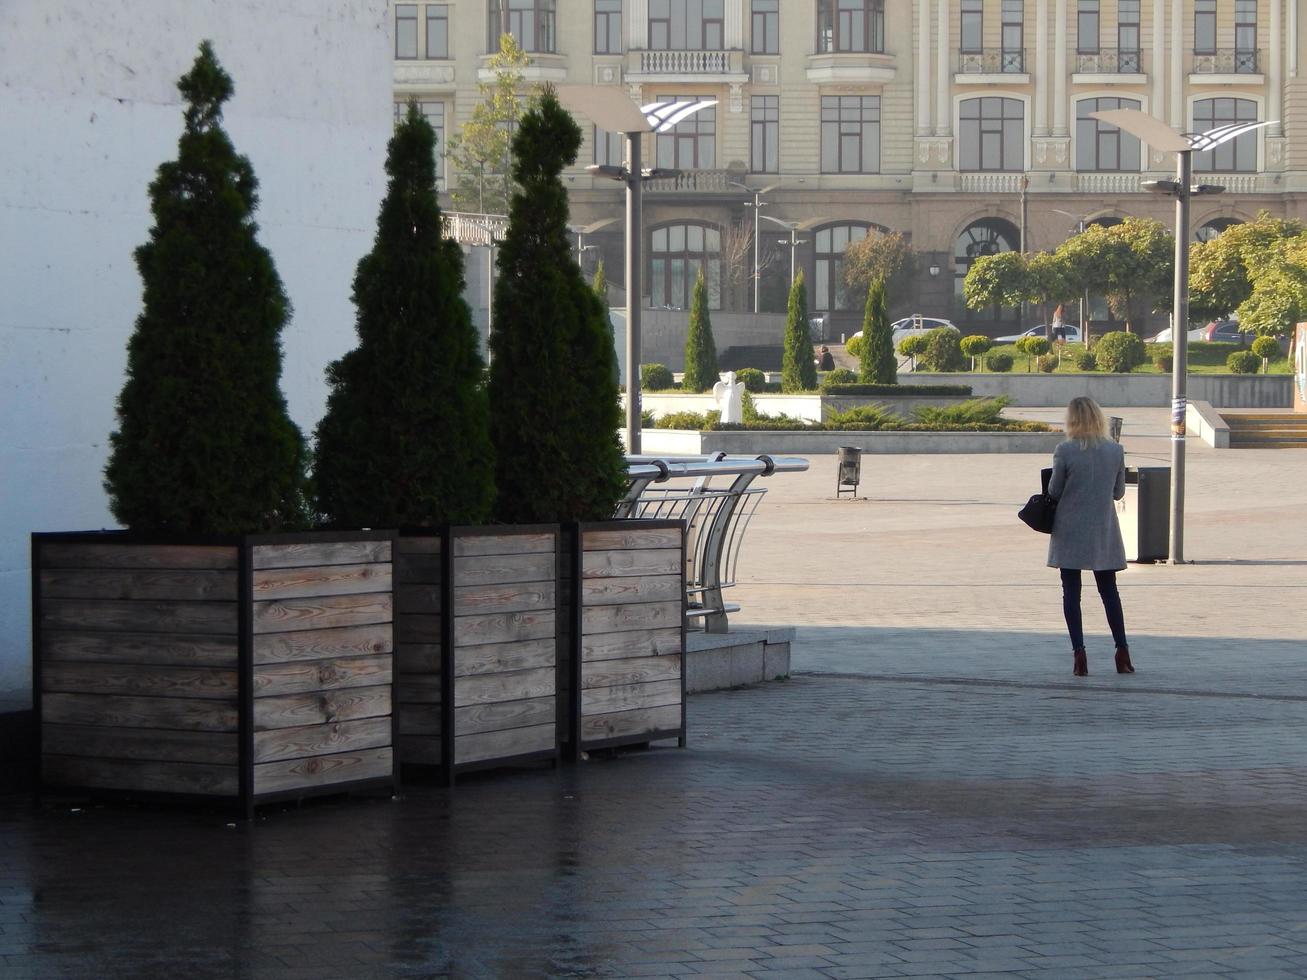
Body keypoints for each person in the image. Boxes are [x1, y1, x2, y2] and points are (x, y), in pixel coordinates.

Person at [1046, 396, 1135, 676]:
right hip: (1102, 529)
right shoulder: (1115, 450)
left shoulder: (1065, 450)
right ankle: (1122, 651)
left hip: (1070, 529)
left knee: (1071, 591)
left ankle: (1079, 654)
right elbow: (1118, 492)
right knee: (1109, 592)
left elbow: (1054, 492)